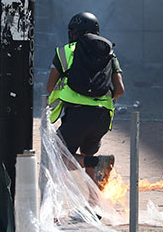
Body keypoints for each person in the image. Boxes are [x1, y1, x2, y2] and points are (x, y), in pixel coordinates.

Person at [46, 12, 125, 186]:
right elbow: (120, 89)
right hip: (103, 118)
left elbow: (50, 86)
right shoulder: (109, 52)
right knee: (88, 154)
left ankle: (96, 163)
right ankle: (93, 206)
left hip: (77, 116)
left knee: (56, 156)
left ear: (74, 33)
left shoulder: (65, 52)